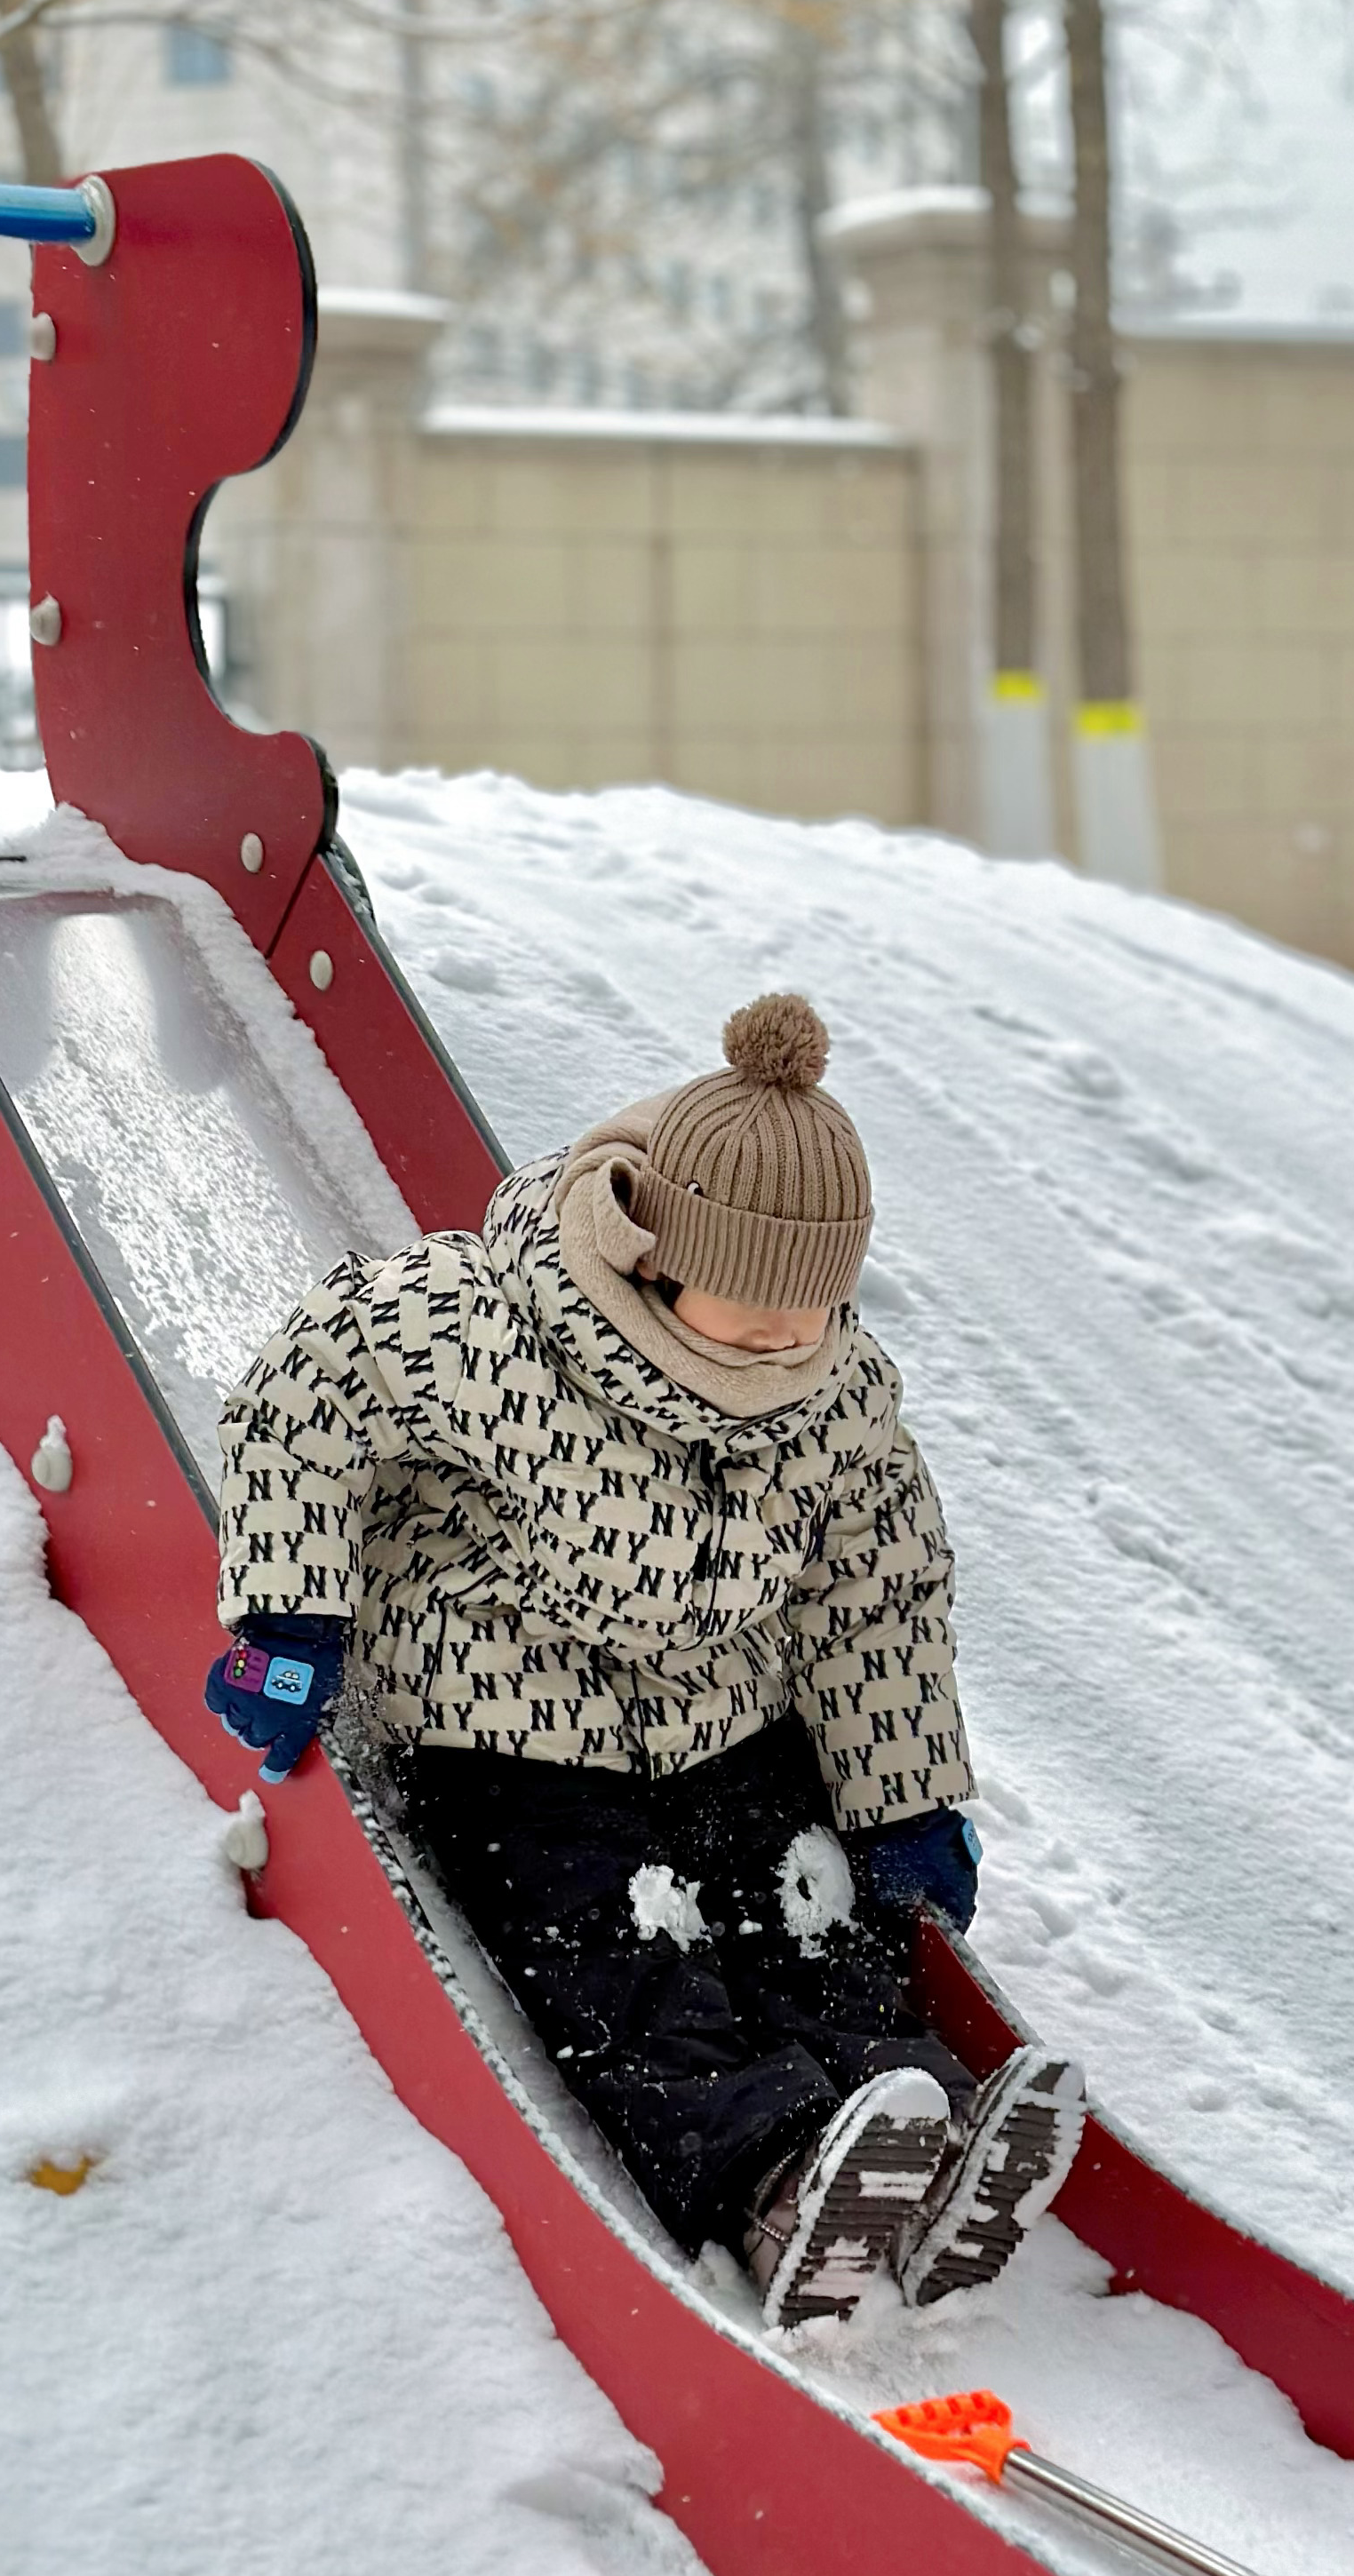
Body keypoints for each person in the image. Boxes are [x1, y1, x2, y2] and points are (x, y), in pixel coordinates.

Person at [204, 993, 1082, 2329]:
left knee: (815, 1916)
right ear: (653, 1252)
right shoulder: (492, 1330)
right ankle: (772, 2180)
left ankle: (914, 2129)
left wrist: (901, 1794)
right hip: (512, 1729)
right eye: (754, 1310)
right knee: (630, 1955)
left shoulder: (835, 1398)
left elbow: (878, 1587)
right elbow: (302, 1401)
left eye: (816, 1308)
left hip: (730, 1717)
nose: (789, 1341)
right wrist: (292, 1619)